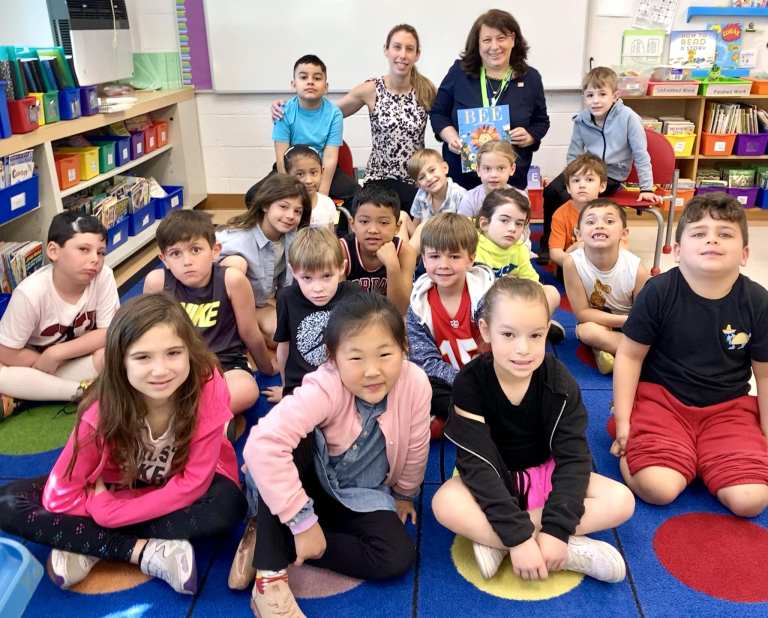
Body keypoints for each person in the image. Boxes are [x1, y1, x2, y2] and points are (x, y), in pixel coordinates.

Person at [0, 294, 247, 594]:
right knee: (7, 503)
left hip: (169, 489)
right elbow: (59, 498)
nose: (161, 370)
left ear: (190, 353)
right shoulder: (100, 413)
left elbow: (194, 482)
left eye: (173, 353)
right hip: (122, 486)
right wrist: (114, 509)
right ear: (121, 362)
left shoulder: (208, 384)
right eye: (143, 357)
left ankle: (89, 544)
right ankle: (143, 552)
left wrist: (110, 514)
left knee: (228, 507)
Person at [432, 277, 634, 583]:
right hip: (493, 480)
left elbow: (574, 460)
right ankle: (560, 550)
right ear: (486, 331)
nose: (523, 349)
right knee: (444, 503)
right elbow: (476, 463)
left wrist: (555, 529)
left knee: (621, 500)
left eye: (536, 335)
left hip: (545, 476)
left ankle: (497, 540)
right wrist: (519, 539)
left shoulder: (560, 382)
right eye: (509, 334)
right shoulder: (469, 383)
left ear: (547, 330)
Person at [243, 293, 431, 617]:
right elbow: (262, 443)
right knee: (291, 444)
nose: (372, 371)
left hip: (361, 493)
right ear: (333, 359)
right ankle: (269, 576)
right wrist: (302, 521)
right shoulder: (325, 385)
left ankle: (271, 541)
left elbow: (416, 446)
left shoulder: (415, 384)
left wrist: (404, 495)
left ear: (405, 349)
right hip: (310, 482)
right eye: (356, 358)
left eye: (385, 354)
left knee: (397, 556)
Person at [611, 194, 768, 517]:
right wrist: (624, 421)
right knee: (659, 488)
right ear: (678, 251)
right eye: (698, 233)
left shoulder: (757, 300)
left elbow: (764, 374)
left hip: (728, 409)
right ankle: (646, 447)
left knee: (750, 500)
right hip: (662, 401)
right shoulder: (659, 291)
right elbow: (629, 357)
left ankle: (697, 456)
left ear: (744, 254)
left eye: (725, 234)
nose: (712, 239)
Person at [272, 24, 436, 211]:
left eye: (410, 49)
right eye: (397, 47)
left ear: (417, 54)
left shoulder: (427, 90)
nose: (403, 55)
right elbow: (324, 111)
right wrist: (284, 107)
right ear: (386, 50)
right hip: (380, 178)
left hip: (415, 178)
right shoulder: (372, 88)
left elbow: (445, 119)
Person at [143, 210, 275, 413]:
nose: (187, 261)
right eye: (175, 254)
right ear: (164, 259)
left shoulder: (232, 280)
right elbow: (147, 335)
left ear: (215, 251)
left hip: (226, 364)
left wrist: (267, 368)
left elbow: (250, 333)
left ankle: (186, 418)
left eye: (195, 250)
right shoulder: (157, 282)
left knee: (247, 390)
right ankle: (209, 421)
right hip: (176, 365)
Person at [0, 212, 119, 416]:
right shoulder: (30, 293)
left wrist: (56, 354)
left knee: (115, 352)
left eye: (101, 252)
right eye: (84, 249)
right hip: (35, 364)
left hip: (72, 360)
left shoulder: (104, 276)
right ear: (54, 251)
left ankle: (29, 394)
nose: (95, 260)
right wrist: (42, 360)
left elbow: (109, 331)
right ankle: (82, 391)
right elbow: (6, 352)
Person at [540, 66, 662, 261]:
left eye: (602, 94)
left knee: (570, 198)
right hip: (586, 169)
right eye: (590, 95)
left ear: (615, 95)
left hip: (612, 174)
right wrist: (570, 178)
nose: (595, 100)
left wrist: (646, 187)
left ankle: (577, 244)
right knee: (552, 191)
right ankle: (551, 242)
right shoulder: (582, 120)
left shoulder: (629, 118)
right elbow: (573, 153)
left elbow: (641, 155)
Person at [430, 9, 550, 191]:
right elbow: (438, 114)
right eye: (487, 40)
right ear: (477, 44)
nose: (494, 46)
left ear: (512, 39)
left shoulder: (530, 78)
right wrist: (451, 137)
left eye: (501, 38)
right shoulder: (459, 73)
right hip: (462, 181)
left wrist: (530, 136)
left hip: (510, 181)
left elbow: (541, 122)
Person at [406, 213, 493, 440]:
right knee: (414, 380)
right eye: (434, 256)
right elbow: (426, 362)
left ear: (471, 258)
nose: (443, 265)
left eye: (454, 256)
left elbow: (502, 343)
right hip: (447, 382)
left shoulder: (489, 297)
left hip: (487, 375)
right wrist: (463, 381)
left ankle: (456, 422)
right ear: (424, 259)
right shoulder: (418, 305)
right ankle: (471, 420)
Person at [263, 226, 363, 404]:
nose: (317, 288)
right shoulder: (287, 298)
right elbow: (284, 346)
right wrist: (286, 389)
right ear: (293, 271)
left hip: (343, 384)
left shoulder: (354, 294)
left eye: (326, 276)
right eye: (307, 278)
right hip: (302, 386)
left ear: (342, 268)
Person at [217, 174, 311, 345]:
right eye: (283, 206)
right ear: (266, 205)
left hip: (261, 303)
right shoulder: (238, 241)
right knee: (235, 266)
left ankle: (253, 334)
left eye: (297, 211)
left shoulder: (291, 235)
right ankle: (234, 334)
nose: (290, 215)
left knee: (286, 337)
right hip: (229, 310)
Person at [563, 199, 649, 374]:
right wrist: (621, 321)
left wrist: (629, 324)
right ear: (578, 234)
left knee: (653, 335)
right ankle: (636, 354)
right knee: (586, 331)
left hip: (632, 324)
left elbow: (645, 317)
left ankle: (611, 350)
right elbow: (582, 313)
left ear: (624, 233)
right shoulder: (572, 263)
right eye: (590, 222)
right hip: (597, 321)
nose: (599, 226)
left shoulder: (637, 269)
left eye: (609, 221)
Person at [474, 188, 564, 344]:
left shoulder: (519, 248)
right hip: (483, 307)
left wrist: (533, 300)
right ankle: (534, 329)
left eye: (519, 223)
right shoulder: (473, 246)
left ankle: (531, 328)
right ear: (484, 223)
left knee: (551, 293)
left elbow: (532, 281)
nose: (512, 228)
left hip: (513, 302)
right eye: (504, 220)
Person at [271, 54, 358, 205]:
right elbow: (281, 158)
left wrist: (320, 199)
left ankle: (341, 229)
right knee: (254, 196)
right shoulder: (282, 111)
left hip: (322, 169)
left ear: (326, 87)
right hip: (291, 169)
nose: (310, 82)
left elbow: (330, 159)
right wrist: (290, 193)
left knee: (358, 197)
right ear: (293, 84)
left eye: (317, 78)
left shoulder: (334, 114)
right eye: (303, 77)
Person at [339, 183, 418, 315]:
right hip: (352, 320)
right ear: (352, 225)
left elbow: (401, 310)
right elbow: (338, 307)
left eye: (383, 223)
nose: (373, 230)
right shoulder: (342, 250)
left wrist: (392, 266)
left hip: (389, 320)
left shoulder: (405, 252)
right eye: (364, 221)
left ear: (397, 227)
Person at [549, 154, 608, 270]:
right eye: (576, 180)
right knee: (580, 247)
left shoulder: (610, 213)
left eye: (589, 180)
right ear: (568, 188)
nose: (582, 185)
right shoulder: (560, 214)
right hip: (570, 265)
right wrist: (575, 265)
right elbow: (555, 252)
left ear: (602, 186)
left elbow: (622, 247)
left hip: (602, 264)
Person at [406, 148, 467, 250]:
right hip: (425, 246)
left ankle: (406, 260)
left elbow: (466, 232)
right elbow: (415, 225)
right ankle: (405, 259)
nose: (429, 178)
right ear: (418, 185)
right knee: (403, 217)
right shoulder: (421, 194)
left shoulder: (459, 195)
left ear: (445, 168)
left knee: (423, 227)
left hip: (451, 245)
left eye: (432, 170)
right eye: (422, 177)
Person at [457, 140, 520, 218]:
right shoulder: (469, 200)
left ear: (512, 169)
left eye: (501, 168)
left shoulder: (520, 198)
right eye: (487, 168)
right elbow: (462, 229)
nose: (493, 175)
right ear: (478, 170)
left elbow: (523, 229)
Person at [283, 145, 338, 228]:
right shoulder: (284, 207)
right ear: (287, 175)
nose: (308, 180)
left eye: (313, 173)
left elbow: (332, 235)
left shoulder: (327, 203)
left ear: (322, 172)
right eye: (300, 174)